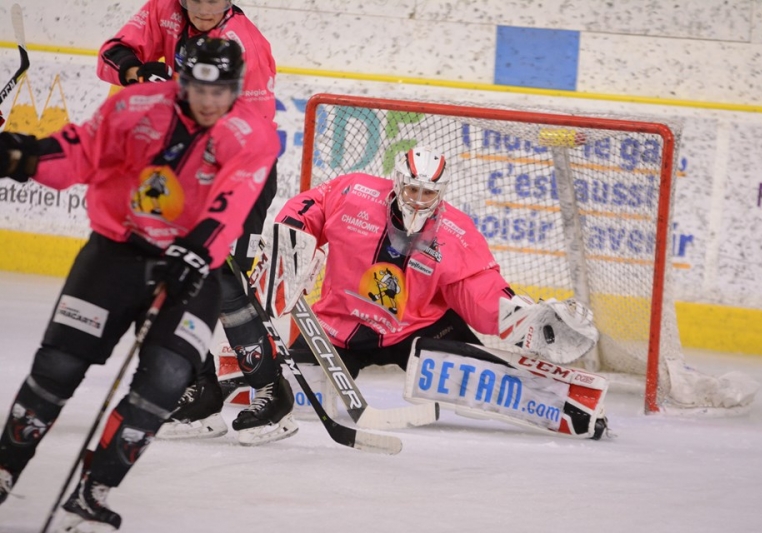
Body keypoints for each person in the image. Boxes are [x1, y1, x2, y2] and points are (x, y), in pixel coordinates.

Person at [0, 36, 279, 530]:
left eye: (223, 92)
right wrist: (23, 156)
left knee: (168, 378)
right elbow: (80, 154)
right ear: (182, 81)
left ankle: (95, 489)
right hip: (117, 254)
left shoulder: (254, 134)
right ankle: (4, 470)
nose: (211, 103)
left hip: (195, 269)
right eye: (200, 90)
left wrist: (195, 251)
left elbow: (233, 199)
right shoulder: (134, 107)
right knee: (59, 365)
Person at [269, 146, 607, 438]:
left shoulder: (455, 232)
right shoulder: (355, 193)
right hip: (339, 325)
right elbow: (314, 204)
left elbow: (477, 288)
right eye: (412, 189)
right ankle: (246, 372)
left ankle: (569, 406)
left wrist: (516, 317)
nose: (417, 200)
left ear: (440, 192)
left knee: (482, 377)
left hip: (417, 329)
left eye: (427, 193)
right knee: (298, 393)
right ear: (398, 182)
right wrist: (291, 234)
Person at [97, 0, 296, 444]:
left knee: (222, 283)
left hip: (241, 170)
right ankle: (200, 392)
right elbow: (112, 53)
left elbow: (252, 131)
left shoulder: (246, 44)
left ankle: (271, 390)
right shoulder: (161, 11)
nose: (206, 7)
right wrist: (137, 72)